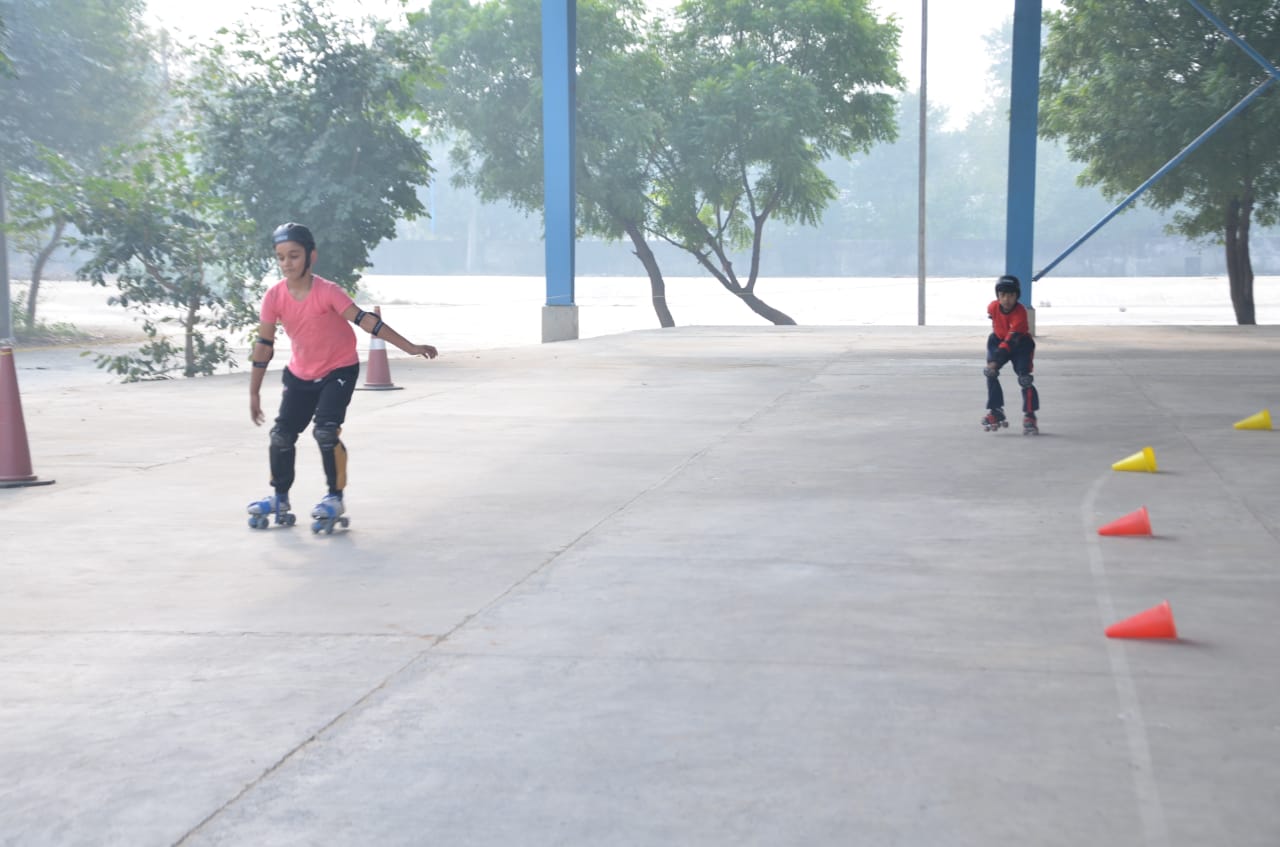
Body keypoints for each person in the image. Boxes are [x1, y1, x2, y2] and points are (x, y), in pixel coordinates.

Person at [246, 222, 438, 528]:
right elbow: (264, 345)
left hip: (338, 369)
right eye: (280, 257)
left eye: (294, 256)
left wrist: (410, 346)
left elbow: (366, 322)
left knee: (325, 430)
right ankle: (279, 497)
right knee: (281, 436)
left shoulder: (327, 292)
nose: (286, 263)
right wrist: (254, 392)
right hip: (300, 373)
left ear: (311, 256)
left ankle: (335, 497)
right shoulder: (274, 297)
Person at [982, 273, 1040, 435]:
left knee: (1025, 379)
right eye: (1003, 295)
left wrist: (995, 360)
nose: (1007, 299)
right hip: (997, 340)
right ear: (998, 296)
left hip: (1020, 344)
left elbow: (1010, 341)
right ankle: (996, 410)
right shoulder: (992, 307)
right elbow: (994, 320)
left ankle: (1030, 415)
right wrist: (993, 363)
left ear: (1017, 296)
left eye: (1011, 295)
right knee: (990, 374)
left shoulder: (1020, 313)